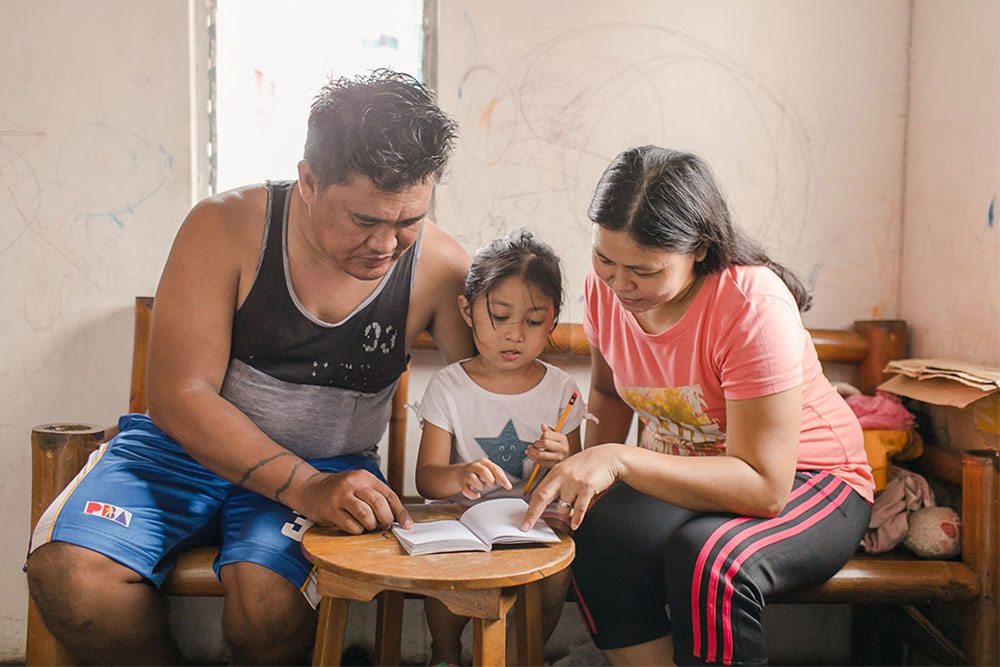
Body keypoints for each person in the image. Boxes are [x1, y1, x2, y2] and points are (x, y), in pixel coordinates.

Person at [25, 70, 475, 665]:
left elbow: (490, 388)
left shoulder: (440, 266)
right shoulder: (224, 226)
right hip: (179, 451)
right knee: (72, 578)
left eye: (409, 220)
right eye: (365, 221)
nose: (388, 245)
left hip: (330, 465)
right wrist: (303, 487)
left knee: (269, 605)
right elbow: (179, 394)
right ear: (309, 182)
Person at [521, 146, 875, 666]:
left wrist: (618, 460)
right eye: (605, 260)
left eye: (642, 270)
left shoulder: (751, 306)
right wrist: (589, 480)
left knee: (710, 559)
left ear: (699, 249)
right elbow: (606, 392)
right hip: (691, 478)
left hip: (812, 480)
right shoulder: (605, 290)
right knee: (594, 531)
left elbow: (764, 487)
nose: (619, 284)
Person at [414, 229, 585, 666]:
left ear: (552, 319)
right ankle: (446, 654)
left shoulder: (561, 390)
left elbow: (578, 473)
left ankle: (523, 656)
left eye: (533, 321)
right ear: (466, 310)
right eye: (500, 317)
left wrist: (562, 456)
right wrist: (458, 474)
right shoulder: (449, 385)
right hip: (459, 517)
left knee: (553, 578)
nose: (515, 336)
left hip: (534, 519)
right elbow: (426, 476)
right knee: (444, 569)